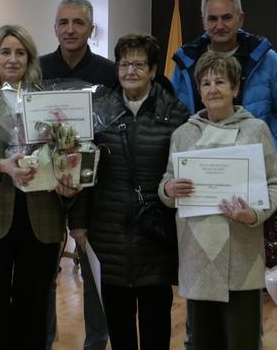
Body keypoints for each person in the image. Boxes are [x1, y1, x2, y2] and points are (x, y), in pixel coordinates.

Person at [0, 25, 80, 350]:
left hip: (40, 214)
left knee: (33, 304)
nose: (12, 59)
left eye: (20, 52)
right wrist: (2, 166)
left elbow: (65, 147)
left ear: (29, 58)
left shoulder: (46, 100)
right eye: (5, 52)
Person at [68, 33, 188, 350]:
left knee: (156, 327)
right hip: (107, 234)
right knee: (119, 329)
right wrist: (77, 223)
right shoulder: (98, 111)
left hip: (155, 237)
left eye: (138, 64)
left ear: (152, 70)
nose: (130, 71)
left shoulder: (175, 114)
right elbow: (84, 171)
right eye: (124, 64)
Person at [160, 52, 277, 350]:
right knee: (201, 342)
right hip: (197, 256)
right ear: (199, 90)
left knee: (242, 342)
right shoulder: (183, 135)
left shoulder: (256, 130)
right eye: (205, 83)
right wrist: (169, 189)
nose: (213, 89)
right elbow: (166, 182)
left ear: (235, 88)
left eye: (220, 81)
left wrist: (254, 214)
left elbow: (275, 183)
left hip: (241, 254)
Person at [38, 0, 112, 350]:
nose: (70, 30)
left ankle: (96, 342)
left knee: (94, 274)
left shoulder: (109, 73)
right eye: (64, 23)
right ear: (54, 28)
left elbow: (114, 130)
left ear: (90, 28)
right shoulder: (36, 70)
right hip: (45, 187)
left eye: (78, 23)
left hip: (95, 188)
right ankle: (44, 340)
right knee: (42, 274)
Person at [169, 0, 277, 178]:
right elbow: (176, 121)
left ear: (240, 19)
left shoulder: (267, 61)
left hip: (257, 173)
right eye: (213, 18)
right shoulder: (185, 63)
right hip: (201, 173)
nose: (220, 25)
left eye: (227, 17)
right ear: (204, 21)